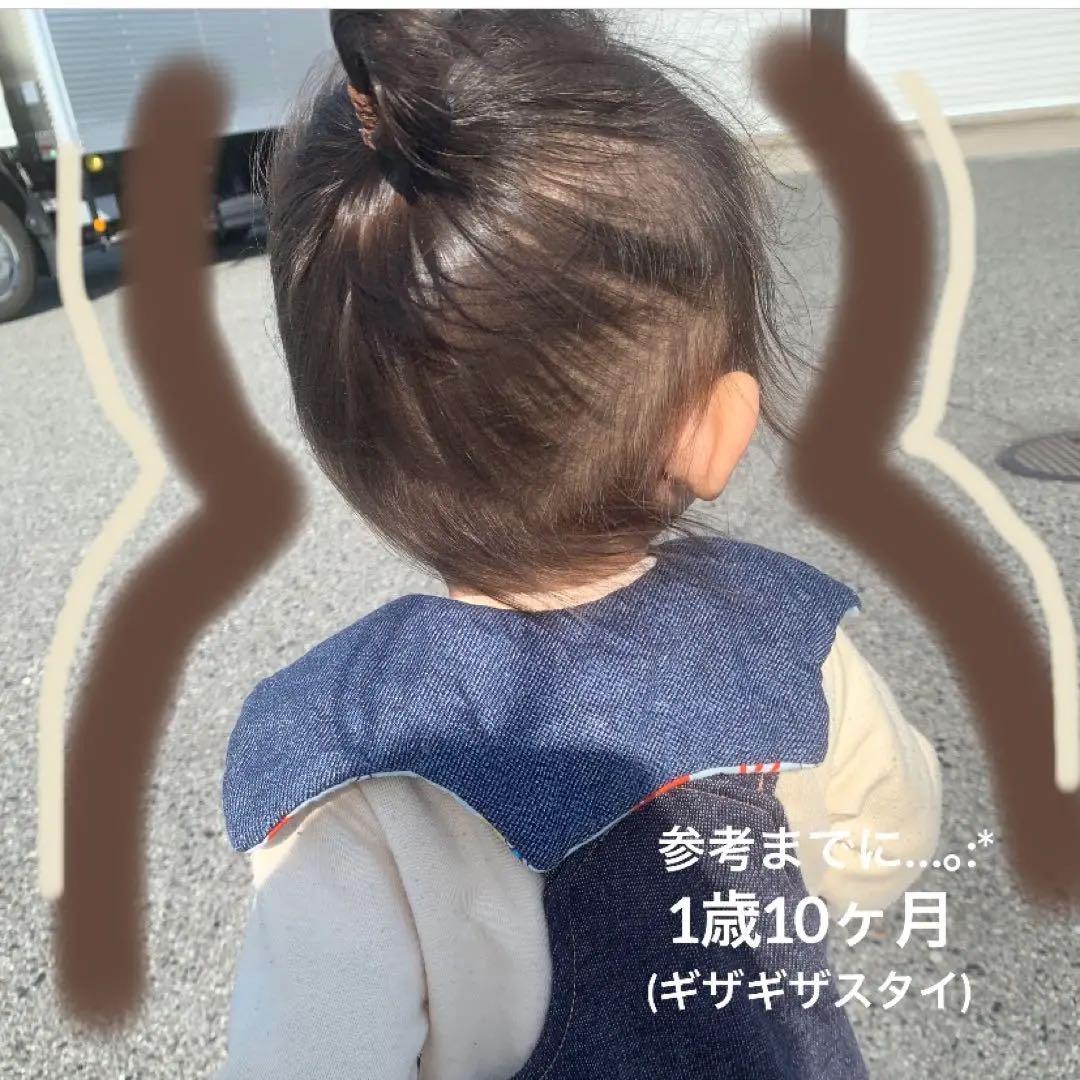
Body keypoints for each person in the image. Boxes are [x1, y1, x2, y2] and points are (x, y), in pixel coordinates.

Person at [219, 11, 941, 1078]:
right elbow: (884, 848)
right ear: (716, 428)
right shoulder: (786, 643)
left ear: (345, 450)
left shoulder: (353, 760)